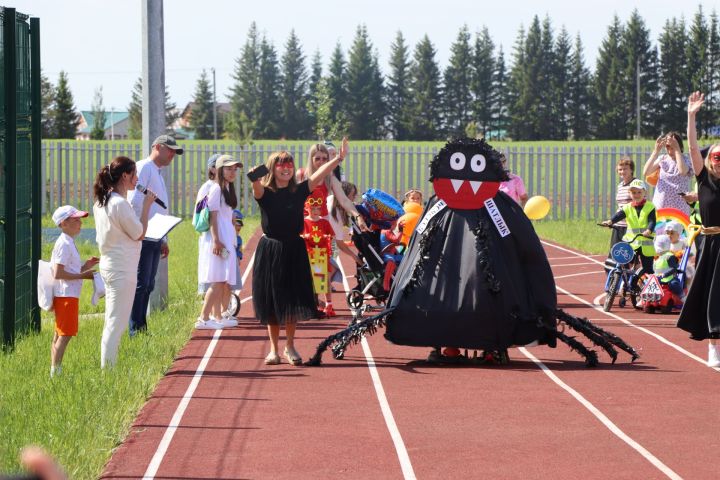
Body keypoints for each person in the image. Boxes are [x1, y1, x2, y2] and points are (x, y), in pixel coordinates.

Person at [249, 138, 348, 366]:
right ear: (273, 168)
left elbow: (319, 174)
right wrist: (254, 176)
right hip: (270, 249)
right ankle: (274, 350)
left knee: (292, 299)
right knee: (273, 302)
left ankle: (290, 346)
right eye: (281, 164)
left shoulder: (300, 190)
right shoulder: (264, 192)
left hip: (294, 247)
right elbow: (255, 186)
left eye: (289, 164)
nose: (286, 168)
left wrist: (338, 159)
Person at [93, 156, 155, 368]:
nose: (136, 179)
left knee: (113, 320)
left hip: (110, 265)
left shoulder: (102, 201)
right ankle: (108, 371)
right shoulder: (119, 203)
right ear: (125, 175)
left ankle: (108, 366)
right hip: (121, 269)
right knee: (116, 323)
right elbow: (139, 233)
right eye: (134, 174)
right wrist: (147, 206)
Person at [677, 91, 720, 367]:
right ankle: (714, 346)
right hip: (710, 244)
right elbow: (693, 149)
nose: (718, 160)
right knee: (711, 293)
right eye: (716, 156)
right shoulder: (703, 179)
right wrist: (691, 116)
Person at [127, 134, 183, 336]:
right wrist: (137, 231)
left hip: (155, 235)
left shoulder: (156, 171)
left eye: (174, 152)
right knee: (141, 284)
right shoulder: (144, 167)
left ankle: (141, 328)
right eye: (170, 150)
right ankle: (135, 330)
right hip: (144, 235)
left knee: (148, 285)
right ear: (157, 147)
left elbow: (158, 210)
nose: (172, 155)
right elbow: (134, 201)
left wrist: (163, 239)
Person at [48, 205, 98, 377]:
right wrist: (85, 276)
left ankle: (54, 370)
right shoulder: (63, 244)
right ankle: (56, 372)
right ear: (63, 223)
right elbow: (58, 273)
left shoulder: (68, 242)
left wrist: (87, 266)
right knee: (65, 334)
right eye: (75, 220)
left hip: (67, 294)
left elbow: (72, 270)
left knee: (60, 333)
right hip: (65, 295)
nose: (80, 223)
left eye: (79, 220)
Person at [196, 155, 242, 329]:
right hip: (218, 240)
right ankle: (204, 318)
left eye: (235, 169)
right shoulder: (215, 189)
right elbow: (213, 217)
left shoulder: (227, 188)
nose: (232, 172)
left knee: (222, 280)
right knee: (217, 280)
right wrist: (216, 241)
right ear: (220, 170)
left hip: (226, 240)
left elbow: (227, 217)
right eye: (229, 168)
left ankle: (216, 317)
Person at [297, 143, 369, 232]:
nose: (321, 161)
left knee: (325, 244)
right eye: (317, 158)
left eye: (324, 158)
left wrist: (358, 216)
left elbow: (344, 200)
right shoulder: (301, 175)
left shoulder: (330, 177)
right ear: (311, 159)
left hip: (322, 220)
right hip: (304, 221)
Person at [602, 179, 656, 285]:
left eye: (639, 192)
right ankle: (624, 284)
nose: (636, 195)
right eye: (634, 192)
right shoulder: (627, 207)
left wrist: (649, 230)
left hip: (646, 244)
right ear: (630, 193)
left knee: (648, 270)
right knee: (624, 262)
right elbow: (619, 215)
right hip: (632, 242)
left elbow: (652, 220)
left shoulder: (650, 206)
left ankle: (649, 291)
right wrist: (610, 221)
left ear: (645, 192)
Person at [642, 131, 693, 216]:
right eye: (668, 146)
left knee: (679, 229)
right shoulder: (663, 159)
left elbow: (682, 171)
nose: (670, 149)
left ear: (679, 145)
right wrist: (656, 151)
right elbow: (646, 172)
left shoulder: (685, 159)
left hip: (680, 207)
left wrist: (677, 150)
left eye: (673, 146)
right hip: (661, 205)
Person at [303, 197, 335, 316]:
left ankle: (329, 304)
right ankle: (312, 303)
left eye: (317, 208)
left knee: (322, 281)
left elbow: (331, 235)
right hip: (307, 254)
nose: (315, 211)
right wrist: (304, 237)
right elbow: (299, 236)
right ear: (307, 208)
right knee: (309, 280)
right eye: (312, 208)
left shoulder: (324, 222)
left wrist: (326, 238)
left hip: (320, 253)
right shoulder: (304, 222)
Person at [605, 156, 638, 272]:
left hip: (631, 226)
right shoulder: (620, 186)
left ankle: (632, 283)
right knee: (615, 254)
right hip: (619, 225)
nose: (622, 171)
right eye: (620, 169)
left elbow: (639, 204)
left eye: (625, 169)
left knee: (629, 256)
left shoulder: (635, 184)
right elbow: (621, 206)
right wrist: (612, 221)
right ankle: (615, 282)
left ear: (631, 170)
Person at [230, 209, 244, 299]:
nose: (238, 228)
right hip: (227, 261)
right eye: (236, 225)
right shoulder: (227, 236)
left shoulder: (239, 239)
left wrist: (238, 258)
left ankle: (230, 298)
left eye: (240, 226)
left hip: (234, 263)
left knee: (233, 282)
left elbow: (239, 250)